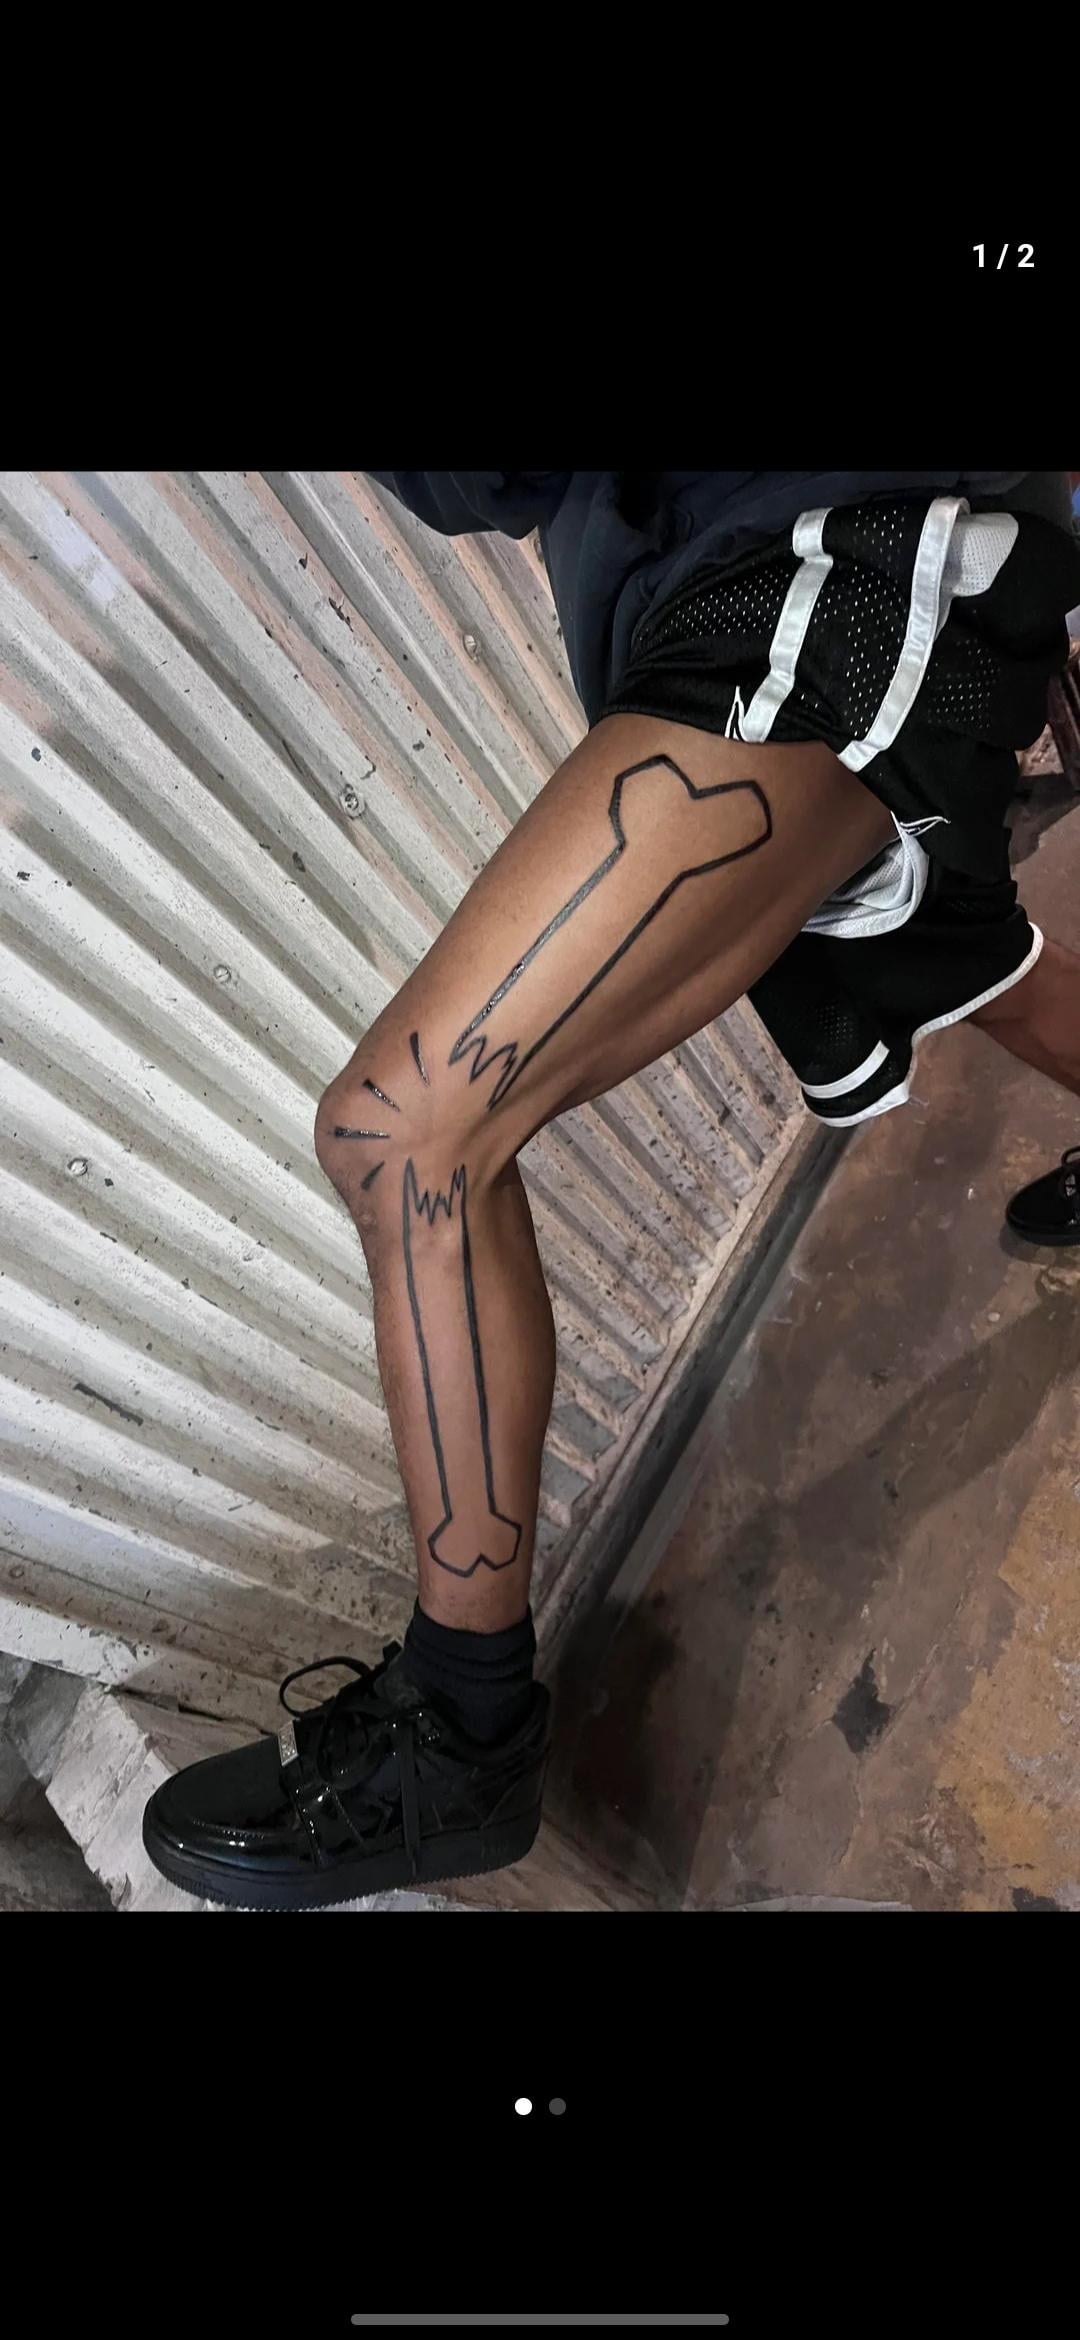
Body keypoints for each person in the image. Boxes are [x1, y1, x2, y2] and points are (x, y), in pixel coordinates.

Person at [142, 470, 1080, 1908]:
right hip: (721, 596)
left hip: (816, 568)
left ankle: (464, 1732)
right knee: (974, 968)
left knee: (404, 1135)